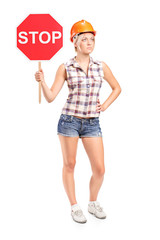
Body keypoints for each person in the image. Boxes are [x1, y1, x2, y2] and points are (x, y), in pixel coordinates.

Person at [35, 20, 121, 224]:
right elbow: (50, 97)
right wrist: (42, 81)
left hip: (92, 122)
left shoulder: (102, 66)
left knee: (100, 169)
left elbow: (117, 88)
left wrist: (105, 105)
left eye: (92, 39)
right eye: (84, 39)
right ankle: (74, 206)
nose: (89, 42)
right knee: (70, 164)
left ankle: (92, 203)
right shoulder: (65, 67)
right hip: (69, 121)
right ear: (75, 42)